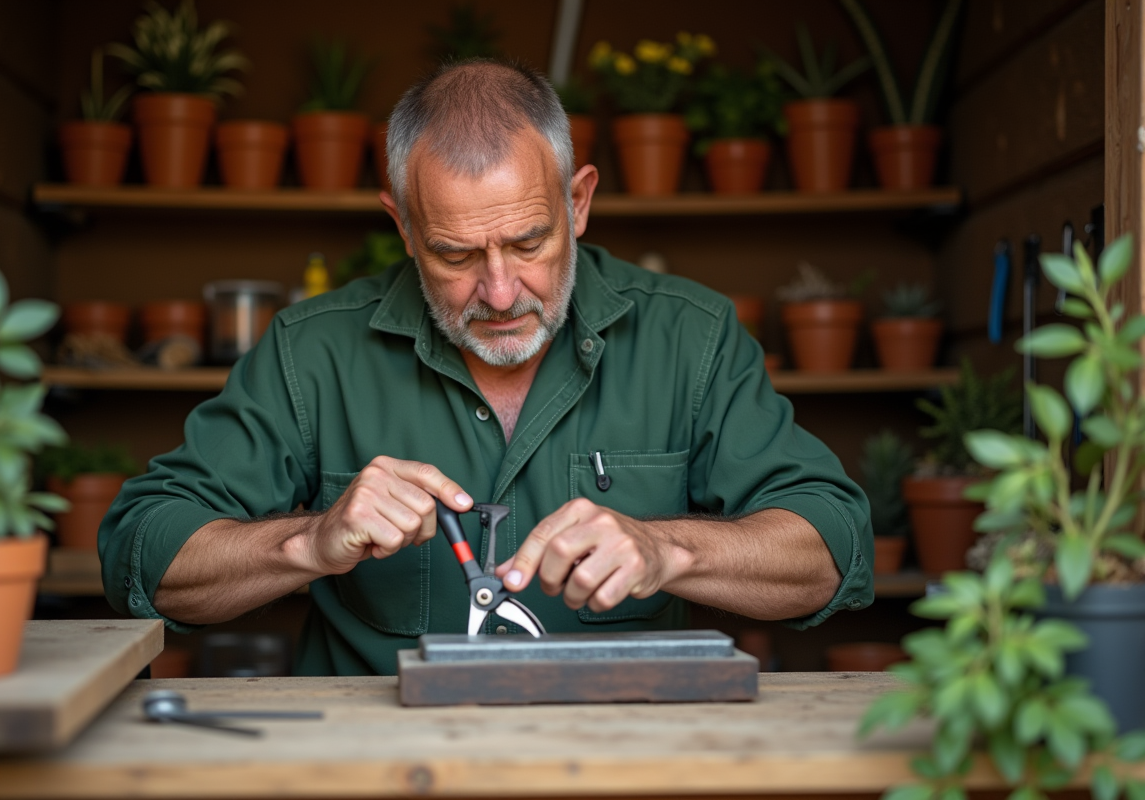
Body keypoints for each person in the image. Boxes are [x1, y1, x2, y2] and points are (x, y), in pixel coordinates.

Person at [100, 60, 874, 676]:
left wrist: (668, 550)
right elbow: (144, 553)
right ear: (404, 226)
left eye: (529, 243)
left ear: (578, 202)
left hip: (617, 765)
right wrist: (308, 542)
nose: (501, 293)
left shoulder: (691, 337)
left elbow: (832, 547)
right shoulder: (312, 351)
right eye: (455, 254)